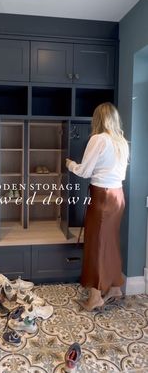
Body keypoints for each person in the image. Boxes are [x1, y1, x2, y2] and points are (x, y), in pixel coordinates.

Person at [66, 102, 129, 311]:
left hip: (102, 197)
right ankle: (115, 288)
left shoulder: (98, 139)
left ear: (98, 119)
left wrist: (70, 164)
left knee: (96, 245)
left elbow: (84, 171)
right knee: (110, 242)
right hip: (118, 196)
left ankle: (95, 296)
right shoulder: (121, 142)